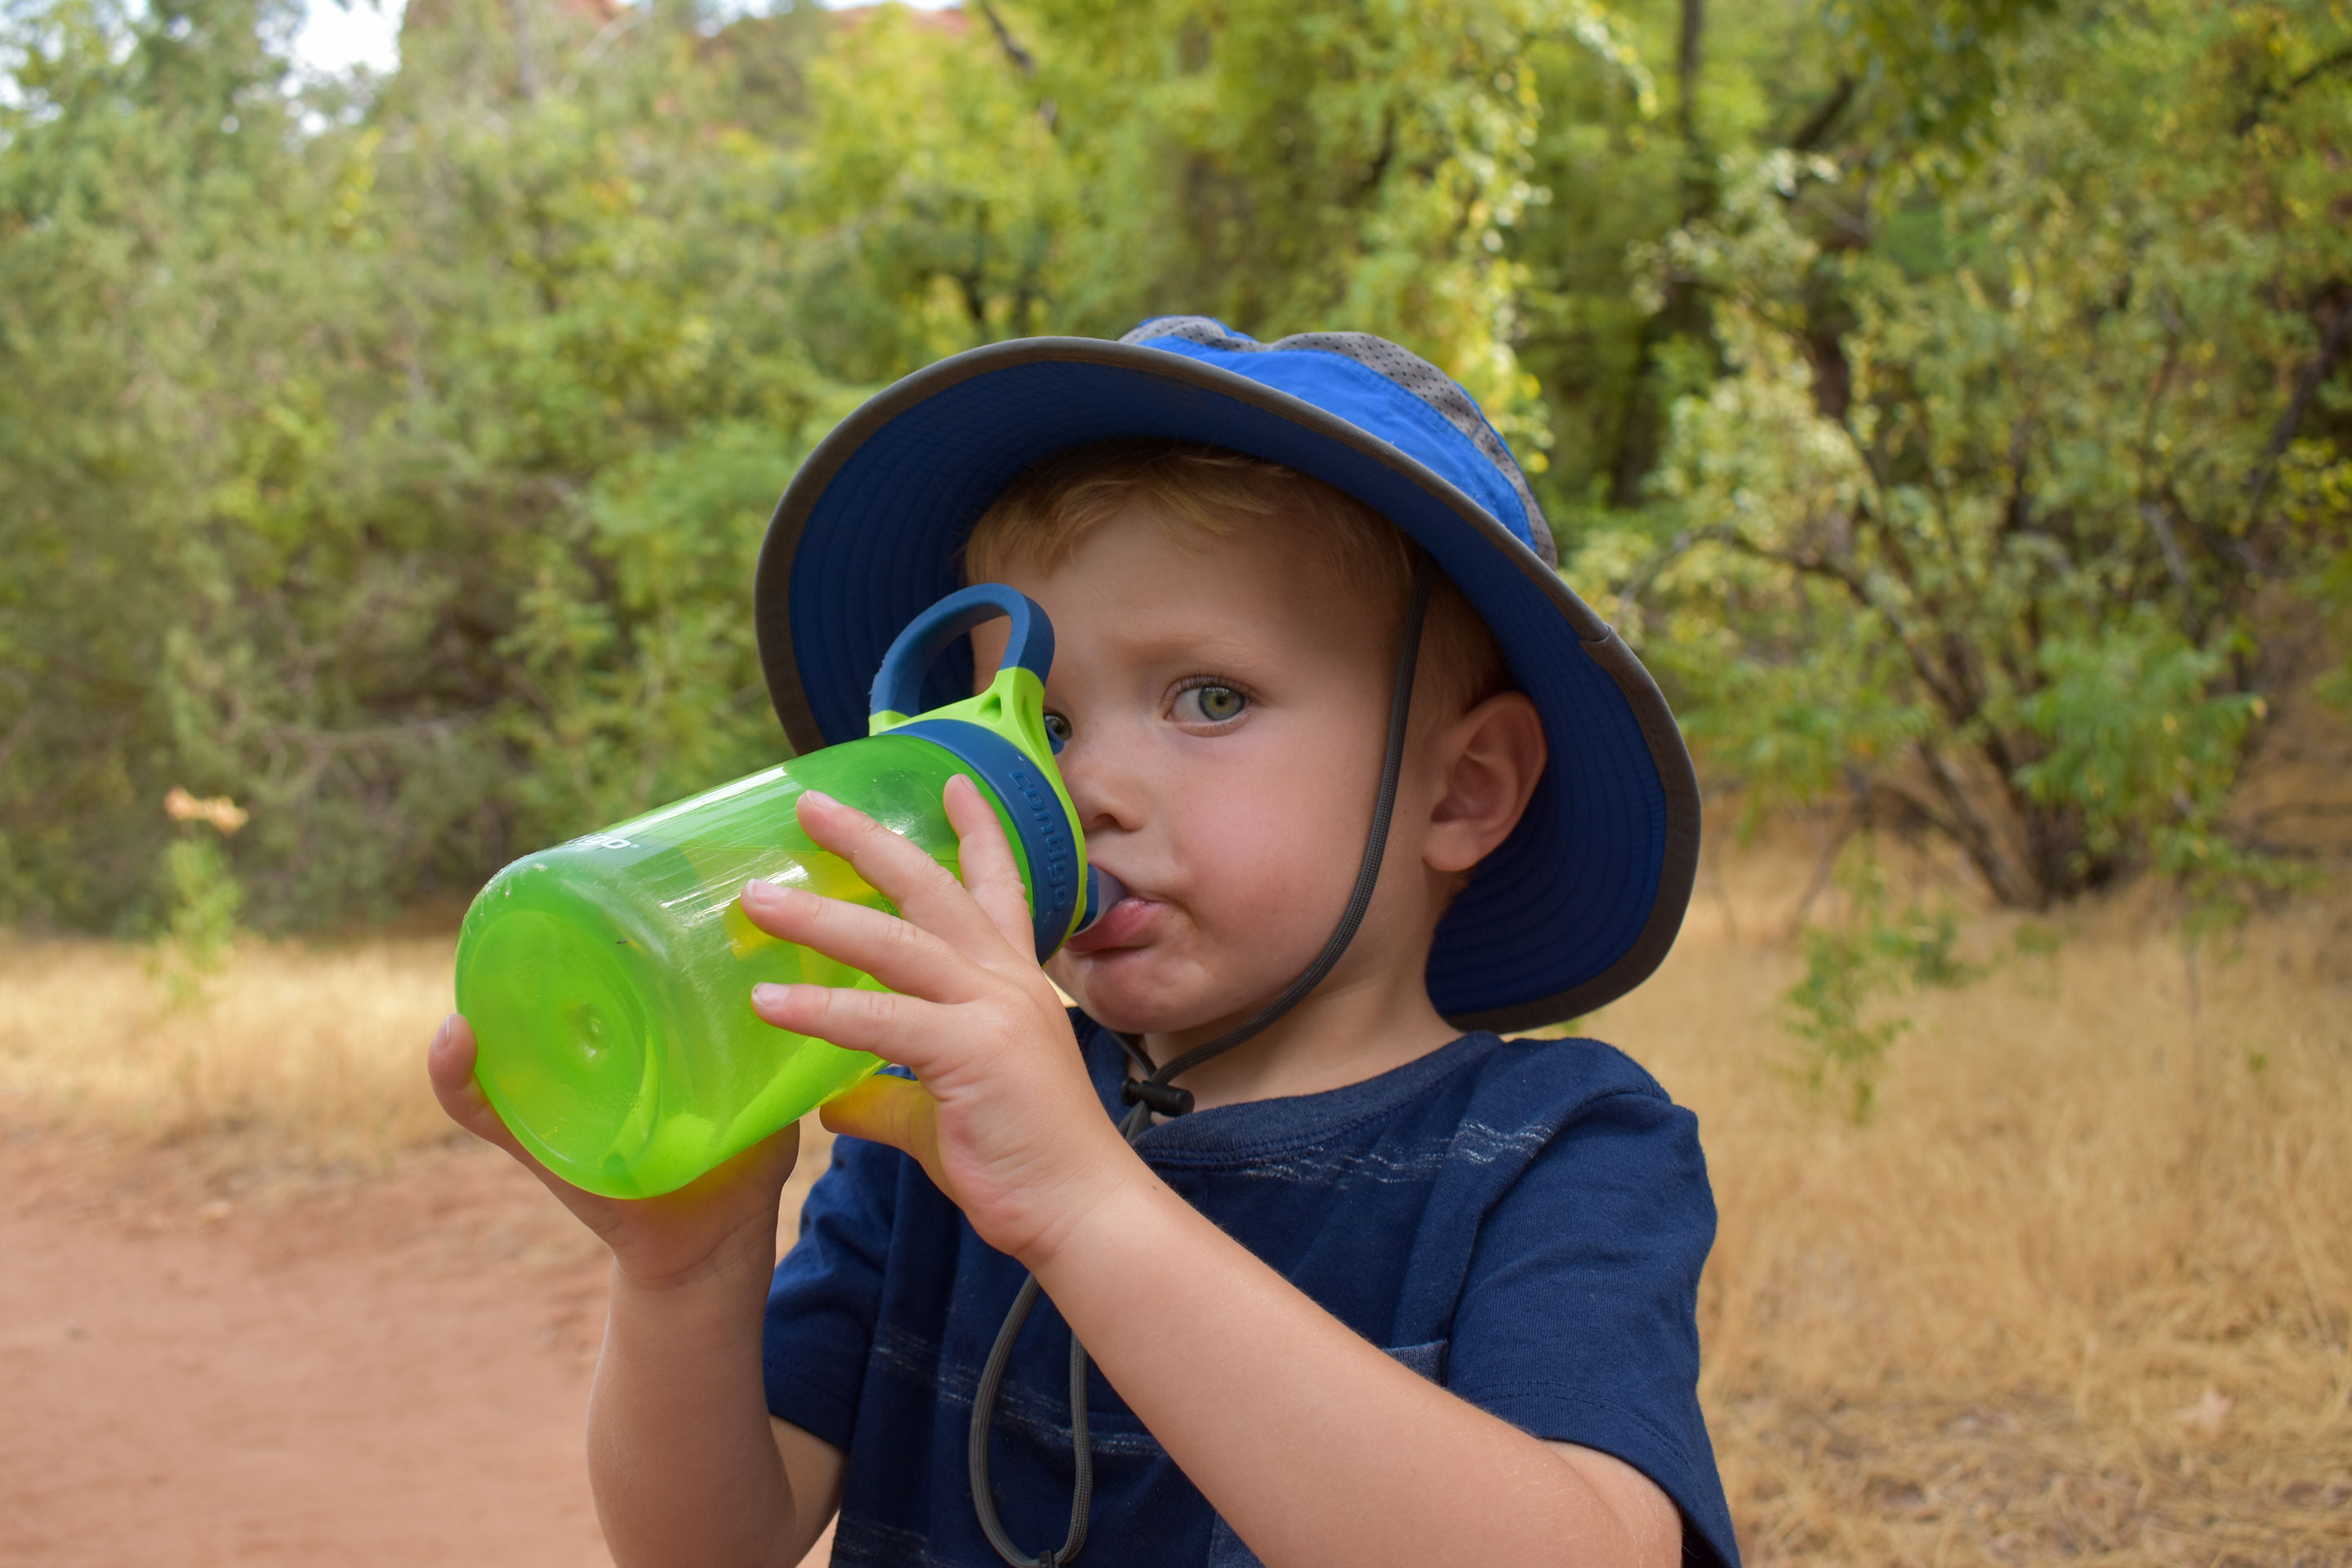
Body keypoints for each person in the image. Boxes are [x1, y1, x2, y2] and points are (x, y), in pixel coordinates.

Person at [428, 318, 1739, 1568]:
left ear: (1460, 791)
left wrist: (1080, 1200)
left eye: (1209, 698)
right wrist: (687, 1270)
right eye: (1039, 728)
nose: (1084, 789)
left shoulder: (1560, 1155)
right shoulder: (937, 1130)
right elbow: (705, 1546)